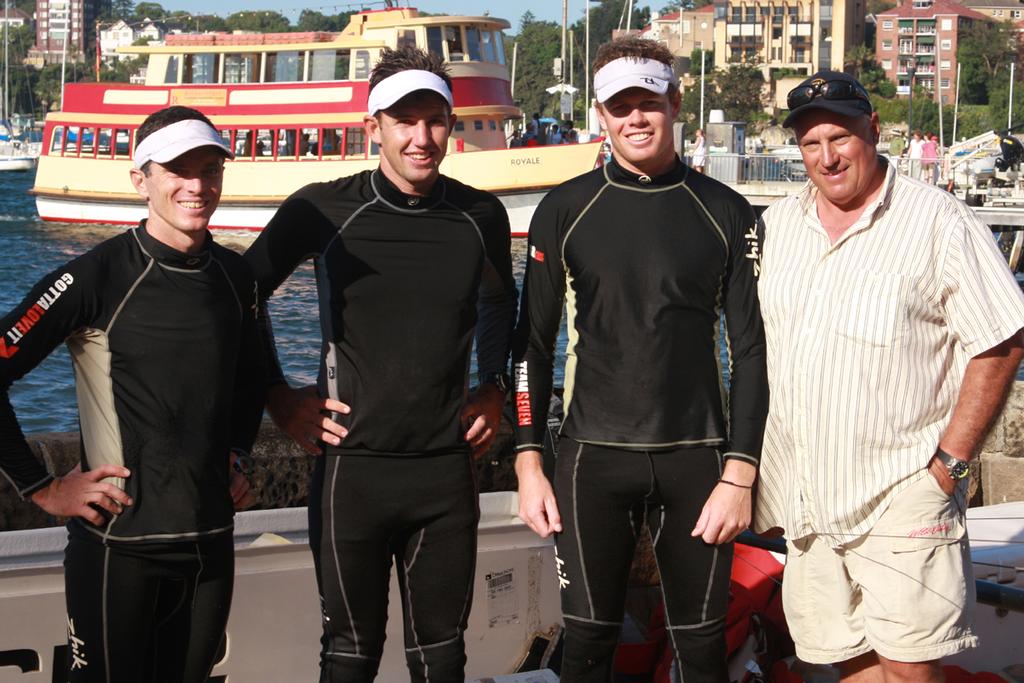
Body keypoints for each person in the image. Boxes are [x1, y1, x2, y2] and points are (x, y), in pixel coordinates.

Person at [243, 46, 517, 683]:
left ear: (451, 123)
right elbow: (242, 294)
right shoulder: (321, 208)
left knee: (442, 656)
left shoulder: (481, 215)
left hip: (445, 473)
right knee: (349, 655)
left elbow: (501, 300)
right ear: (375, 129)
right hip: (351, 472)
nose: (422, 138)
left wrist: (494, 384)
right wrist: (276, 395)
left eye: (436, 120)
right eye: (404, 121)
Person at [755, 70, 1024, 681]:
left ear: (872, 130)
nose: (827, 157)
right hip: (807, 500)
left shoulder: (937, 222)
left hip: (901, 490)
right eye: (810, 143)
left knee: (908, 668)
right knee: (843, 665)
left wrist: (949, 466)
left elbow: (1002, 340)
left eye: (841, 137)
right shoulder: (774, 228)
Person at [513, 36, 767, 682]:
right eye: (619, 105)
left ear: (675, 102)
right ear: (600, 114)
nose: (635, 118)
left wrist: (740, 471)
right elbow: (531, 346)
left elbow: (752, 350)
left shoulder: (725, 213)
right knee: (588, 648)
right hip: (590, 459)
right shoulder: (564, 211)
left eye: (648, 102)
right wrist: (527, 460)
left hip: (698, 464)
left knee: (704, 653)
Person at [0, 105, 265, 682]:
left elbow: (252, 381)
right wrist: (42, 489)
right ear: (140, 180)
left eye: (210, 169)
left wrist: (239, 454)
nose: (197, 186)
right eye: (178, 170)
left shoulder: (234, 277)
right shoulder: (93, 278)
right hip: (119, 549)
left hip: (210, 547)